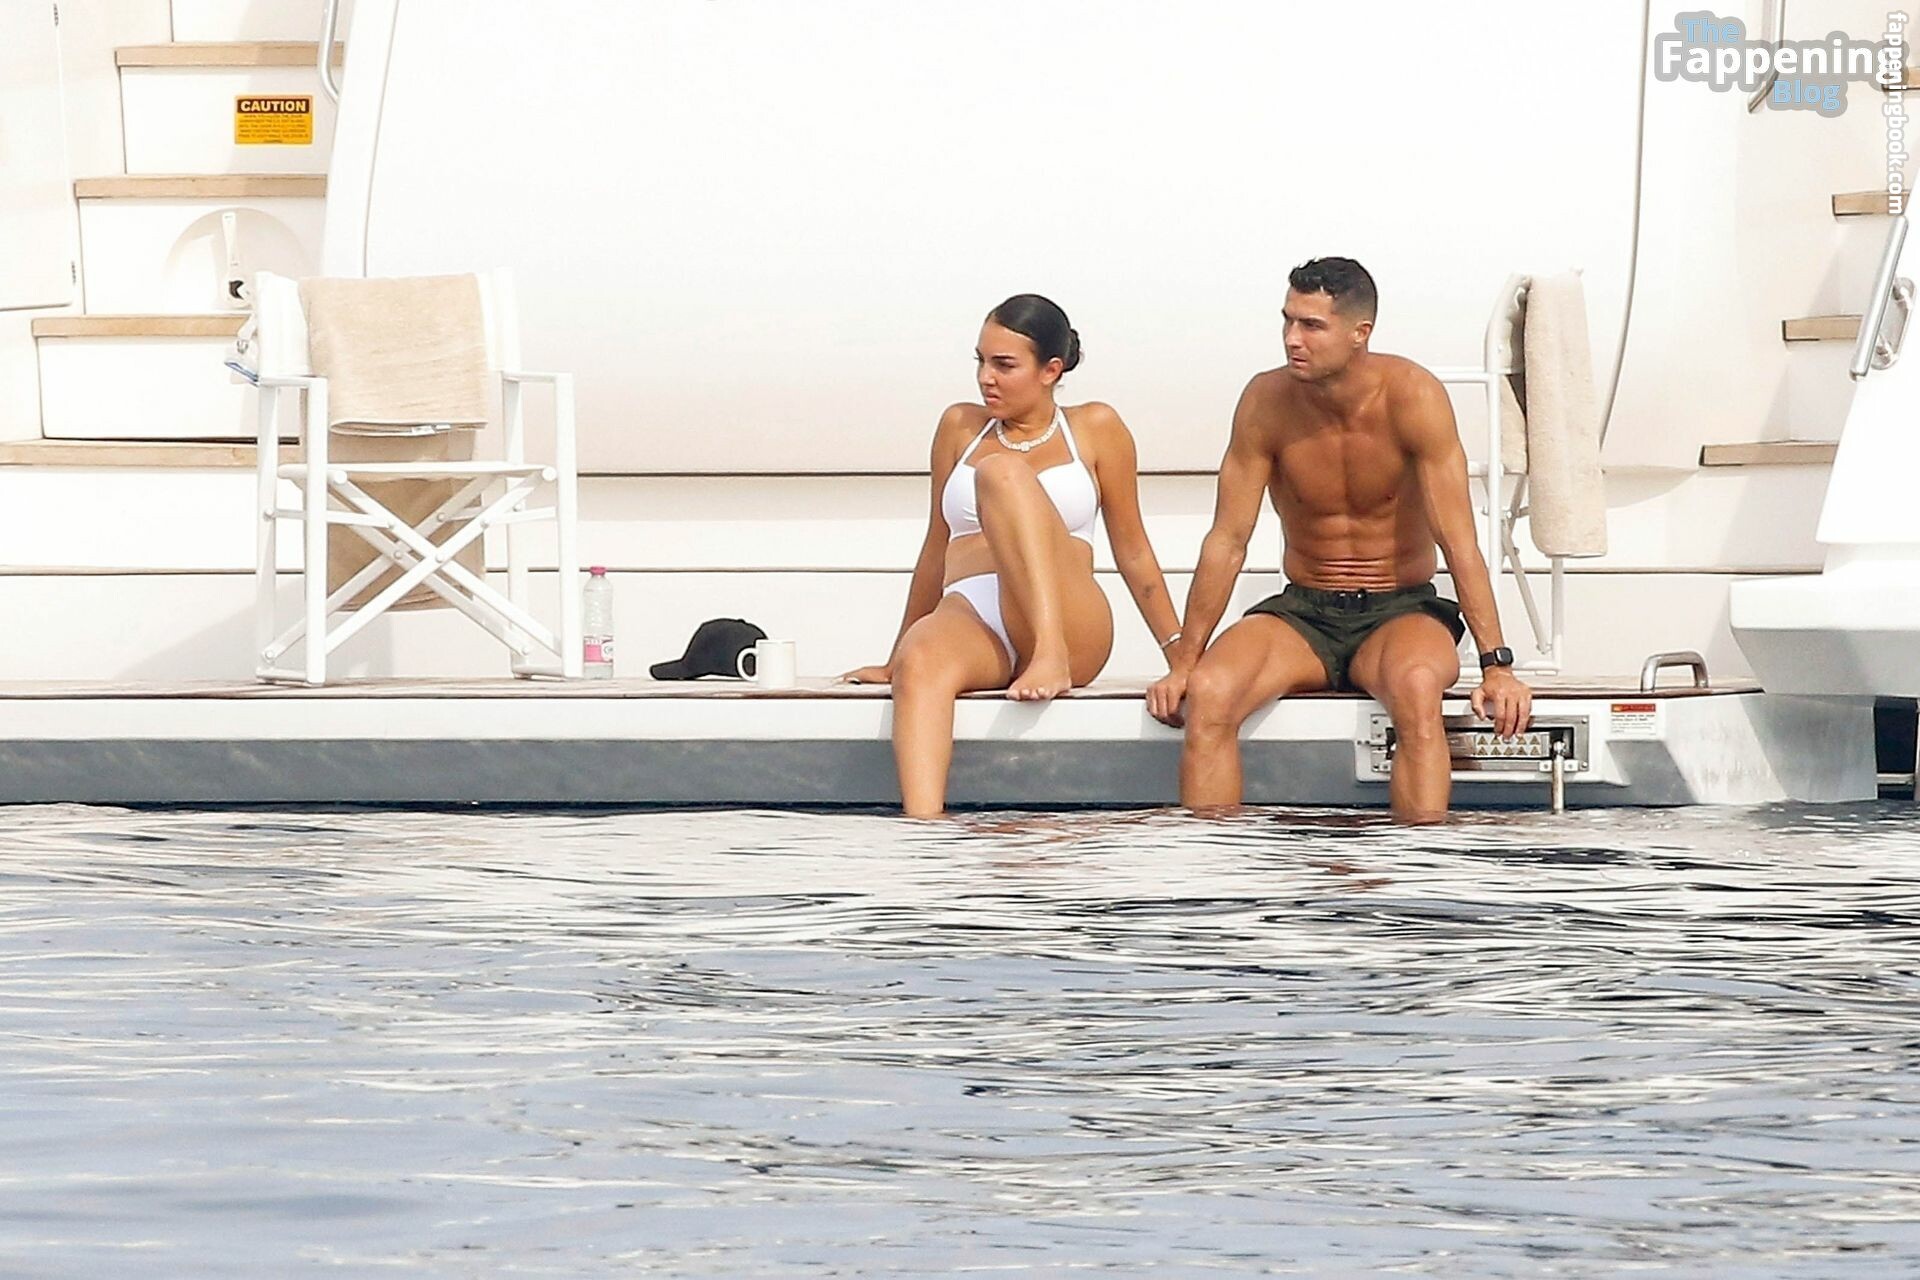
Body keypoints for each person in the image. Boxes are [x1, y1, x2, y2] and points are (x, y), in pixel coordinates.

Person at [1146, 258, 1532, 823]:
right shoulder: (1266, 400)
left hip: (1400, 610)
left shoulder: (1412, 396)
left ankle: (1419, 862)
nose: (1292, 339)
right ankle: (1217, 867)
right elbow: (1228, 539)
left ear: (1360, 332)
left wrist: (1497, 665)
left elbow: (1459, 541)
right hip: (1304, 612)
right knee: (1209, 689)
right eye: (1287, 321)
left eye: (1311, 326)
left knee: (1417, 688)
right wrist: (1184, 660)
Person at [844, 295, 1182, 818]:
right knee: (921, 662)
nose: (987, 378)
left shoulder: (1095, 427)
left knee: (1001, 474)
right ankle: (922, 834)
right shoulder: (960, 426)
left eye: (1004, 365)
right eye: (980, 361)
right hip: (975, 612)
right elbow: (936, 546)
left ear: (1051, 370)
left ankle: (1049, 652)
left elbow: (1133, 551)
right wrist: (895, 657)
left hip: (1069, 621)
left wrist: (1181, 659)